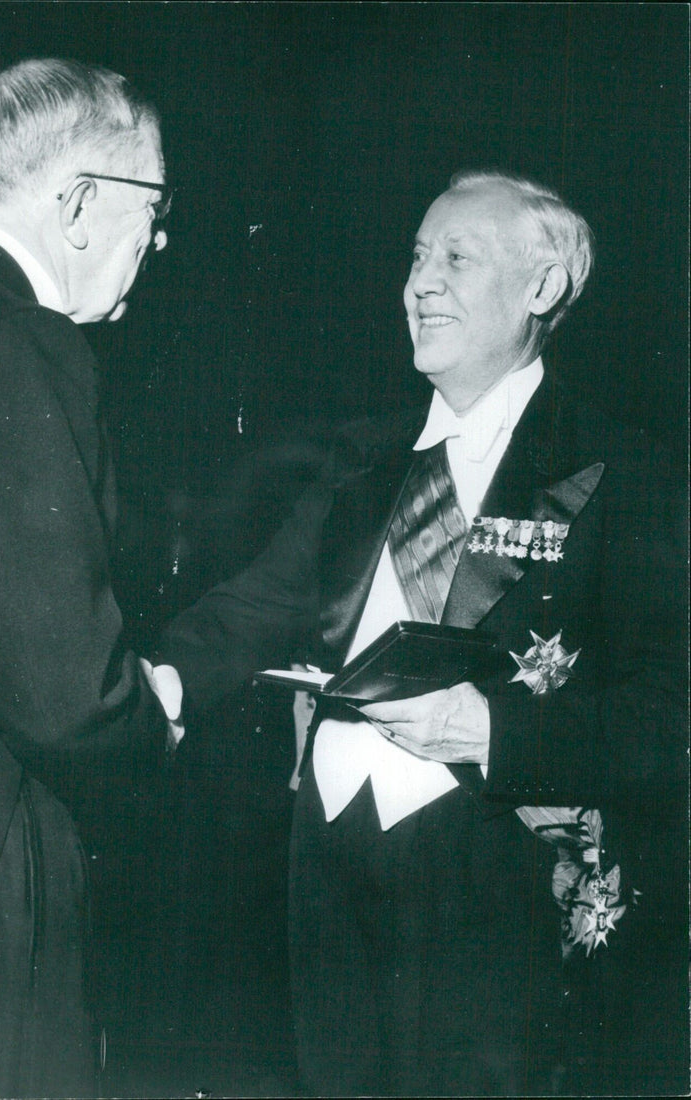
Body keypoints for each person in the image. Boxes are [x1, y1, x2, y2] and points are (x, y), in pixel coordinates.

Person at [154, 170, 688, 1096]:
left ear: (542, 288)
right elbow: (255, 605)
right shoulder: (366, 454)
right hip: (327, 853)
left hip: (493, 876)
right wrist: (152, 683)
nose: (420, 283)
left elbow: (671, 710)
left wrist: (495, 733)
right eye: (415, 258)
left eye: (455, 258)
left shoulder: (627, 472)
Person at [0, 58, 183, 1099]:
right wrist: (152, 716)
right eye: (150, 207)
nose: (158, 239)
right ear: (75, 205)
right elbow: (66, 694)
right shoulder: (20, 342)